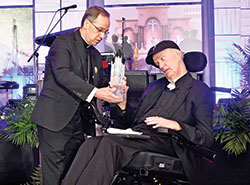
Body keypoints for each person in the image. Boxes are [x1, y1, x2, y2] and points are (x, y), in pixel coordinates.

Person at [61, 40, 215, 185]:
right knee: (90, 144)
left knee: (109, 144)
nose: (161, 65)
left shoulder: (200, 91)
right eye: (158, 63)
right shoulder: (154, 87)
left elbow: (206, 138)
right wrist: (122, 105)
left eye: (163, 58)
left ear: (178, 54)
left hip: (169, 141)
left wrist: (175, 125)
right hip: (141, 136)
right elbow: (133, 123)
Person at [30, 6, 123, 185]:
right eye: (99, 30)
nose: (102, 36)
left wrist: (115, 88)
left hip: (78, 122)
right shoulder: (63, 42)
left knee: (74, 171)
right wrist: (95, 92)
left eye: (106, 32)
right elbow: (62, 74)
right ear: (87, 24)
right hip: (54, 119)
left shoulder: (95, 54)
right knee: (54, 173)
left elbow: (99, 83)